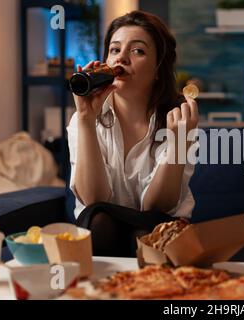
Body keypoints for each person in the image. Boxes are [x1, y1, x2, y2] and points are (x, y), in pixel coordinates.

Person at [66, 10, 199, 257]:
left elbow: (158, 207)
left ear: (159, 68)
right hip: (101, 232)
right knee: (100, 221)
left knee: (144, 235)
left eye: (137, 51)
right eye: (115, 50)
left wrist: (179, 142)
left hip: (159, 232)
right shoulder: (83, 119)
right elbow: (93, 201)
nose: (122, 59)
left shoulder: (179, 122)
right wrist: (86, 120)